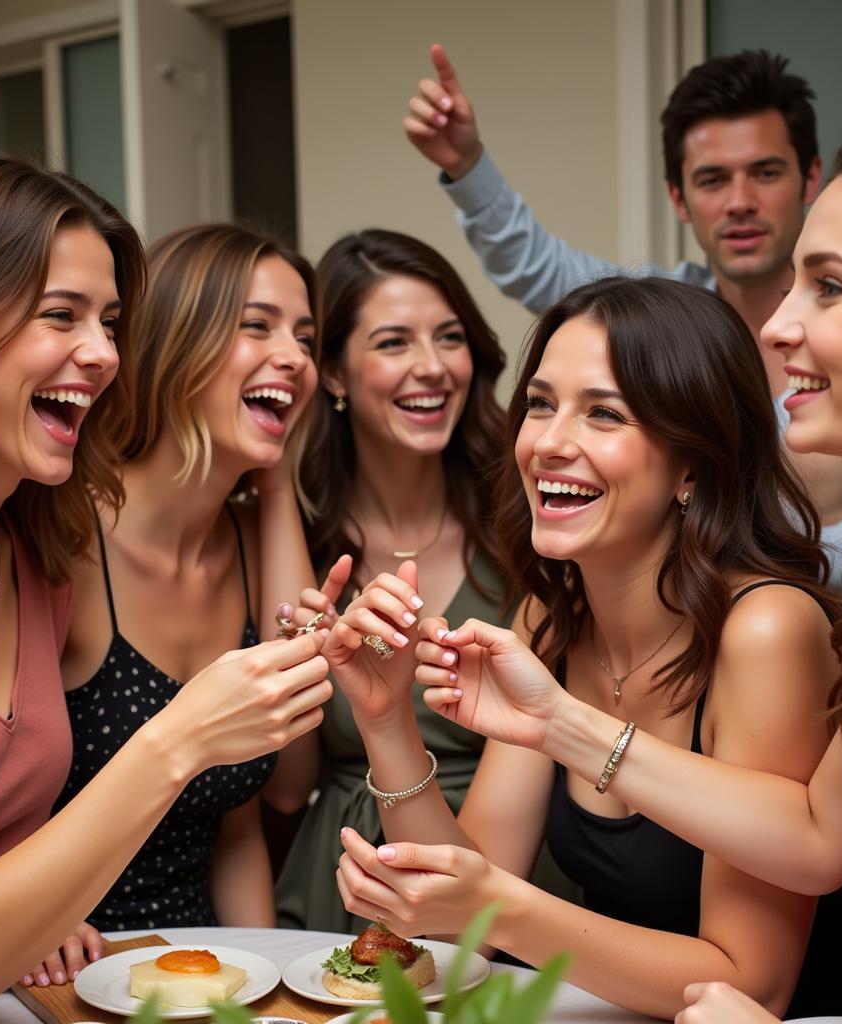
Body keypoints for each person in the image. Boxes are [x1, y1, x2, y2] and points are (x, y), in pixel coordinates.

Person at [408, 118, 842, 1022]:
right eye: (540, 406)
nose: (776, 327)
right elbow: (817, 838)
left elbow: (760, 962)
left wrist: (505, 897)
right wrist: (506, 722)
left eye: (828, 287)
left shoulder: (779, 621)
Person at [0, 153, 330, 1021]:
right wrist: (178, 735)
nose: (104, 354)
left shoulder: (36, 550)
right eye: (61, 315)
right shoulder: (76, 558)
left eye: (110, 322)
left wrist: (35, 910)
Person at [404, 44, 842, 586]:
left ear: (811, 178)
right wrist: (467, 165)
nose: (740, 201)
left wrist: (746, 555)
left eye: (764, 173)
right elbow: (534, 264)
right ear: (678, 197)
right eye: (713, 179)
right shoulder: (660, 314)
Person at [54, 223, 321, 931]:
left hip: (205, 970)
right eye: (257, 326)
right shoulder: (63, 533)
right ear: (176, 340)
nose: (292, 357)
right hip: (55, 963)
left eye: (306, 338)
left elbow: (275, 796)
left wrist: (266, 995)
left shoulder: (254, 543)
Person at [272, 229, 526, 932]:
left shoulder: (525, 527)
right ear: (331, 373)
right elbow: (287, 788)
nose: (432, 367)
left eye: (449, 338)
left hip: (505, 881)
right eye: (392, 343)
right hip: (345, 885)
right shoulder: (293, 534)